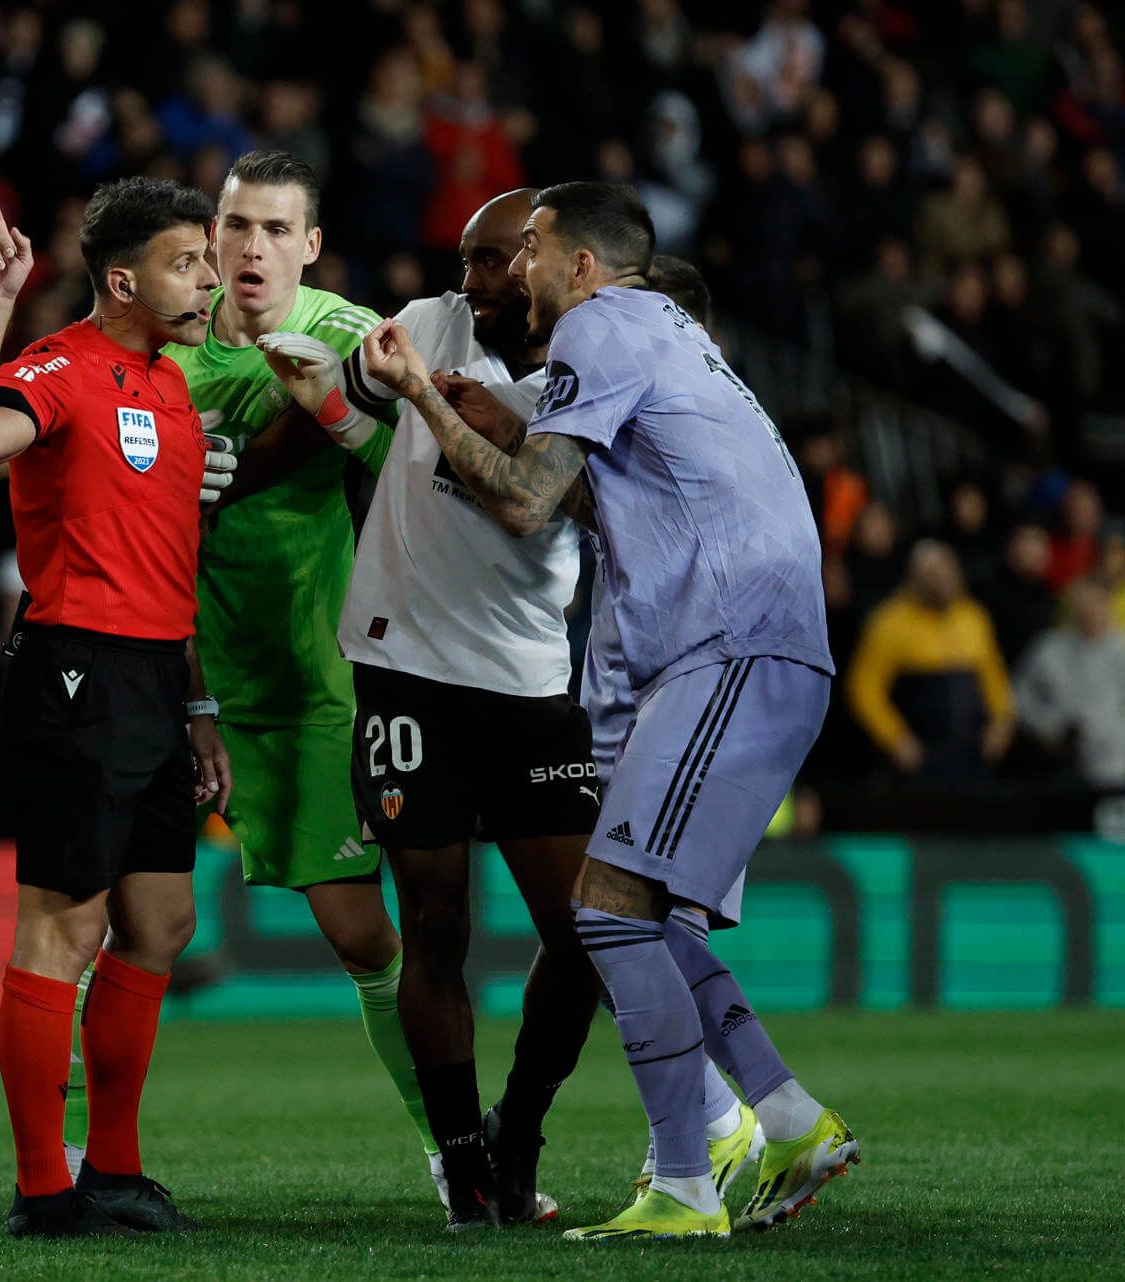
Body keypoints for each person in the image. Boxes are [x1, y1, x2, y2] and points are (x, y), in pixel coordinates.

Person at [353, 181, 856, 1239]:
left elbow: (526, 501)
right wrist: (509, 415)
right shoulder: (658, 330)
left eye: (529, 247)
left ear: (581, 265)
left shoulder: (600, 324)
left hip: (729, 641)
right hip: (742, 645)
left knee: (609, 909)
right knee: (634, 907)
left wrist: (427, 399)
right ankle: (784, 1116)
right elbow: (597, 490)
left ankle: (686, 1176)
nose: (515, 267)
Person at [260, 186, 597, 1230]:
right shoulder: (428, 325)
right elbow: (338, 419)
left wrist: (425, 398)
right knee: (435, 924)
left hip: (535, 683)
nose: (475, 281)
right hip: (406, 675)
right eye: (467, 259)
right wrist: (221, 482)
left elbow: (527, 500)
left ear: (552, 263)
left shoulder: (599, 375)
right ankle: (464, 1169)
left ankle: (520, 1125)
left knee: (585, 933)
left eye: (497, 260)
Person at [145, 149, 451, 1206]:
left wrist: (324, 410)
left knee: (361, 933)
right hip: (172, 677)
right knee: (112, 924)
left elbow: (414, 473)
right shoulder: (162, 349)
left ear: (311, 246)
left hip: (313, 682)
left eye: (277, 231)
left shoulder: (342, 338)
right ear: (212, 238)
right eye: (237, 228)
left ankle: (450, 1150)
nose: (253, 250)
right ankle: (76, 1173)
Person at [0, 179, 229, 1238]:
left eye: (205, 258)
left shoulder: (174, 385)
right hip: (74, 669)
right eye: (186, 260)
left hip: (156, 676)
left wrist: (194, 698)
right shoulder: (56, 367)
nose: (207, 275)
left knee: (158, 923)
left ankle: (111, 1167)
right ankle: (42, 1188)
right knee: (64, 923)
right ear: (122, 280)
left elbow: (173, 556)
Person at [585, 255, 766, 1205]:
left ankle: (720, 1136)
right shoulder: (700, 424)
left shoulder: (681, 417)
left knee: (643, 929)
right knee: (630, 934)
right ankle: (721, 1128)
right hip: (641, 711)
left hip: (685, 712)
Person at [845, 540, 1015, 781]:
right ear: (913, 577)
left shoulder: (973, 617)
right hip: (919, 757)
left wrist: (1002, 722)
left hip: (972, 754)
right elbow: (863, 689)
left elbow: (994, 678)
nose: (941, 580)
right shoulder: (890, 622)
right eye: (932, 574)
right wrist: (896, 739)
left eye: (947, 572)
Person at [1013, 577, 1125, 789]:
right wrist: (1046, 727)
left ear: (1108, 607)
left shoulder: (1122, 649)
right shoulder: (1048, 647)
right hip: (1057, 759)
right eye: (1083, 605)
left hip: (1116, 762)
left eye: (1097, 603)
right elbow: (1020, 696)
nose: (1090, 611)